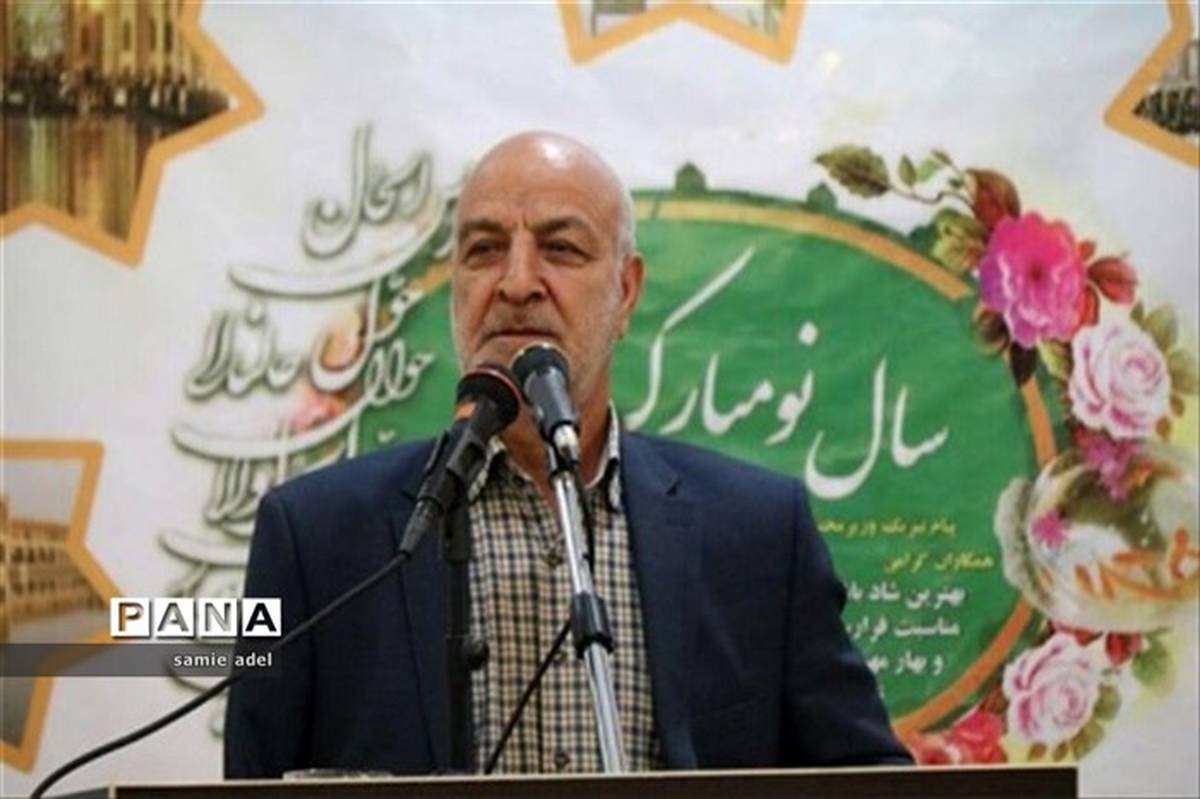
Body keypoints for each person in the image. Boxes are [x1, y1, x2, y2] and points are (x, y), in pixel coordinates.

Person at [224, 132, 912, 777]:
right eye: (485, 249)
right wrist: (151, 635)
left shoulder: (761, 533)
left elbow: (870, 783)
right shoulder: (311, 534)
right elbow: (249, 778)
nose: (517, 282)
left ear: (626, 291)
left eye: (561, 249)